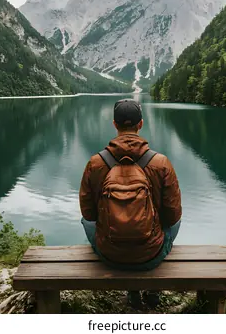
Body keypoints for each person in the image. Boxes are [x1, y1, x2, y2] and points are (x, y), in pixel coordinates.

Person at [79, 98, 182, 309]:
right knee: (173, 220)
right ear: (141, 124)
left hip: (109, 253)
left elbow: (89, 214)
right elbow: (173, 216)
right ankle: (153, 290)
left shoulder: (96, 162)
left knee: (85, 221)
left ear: (114, 124)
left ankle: (133, 292)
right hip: (151, 254)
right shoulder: (160, 163)